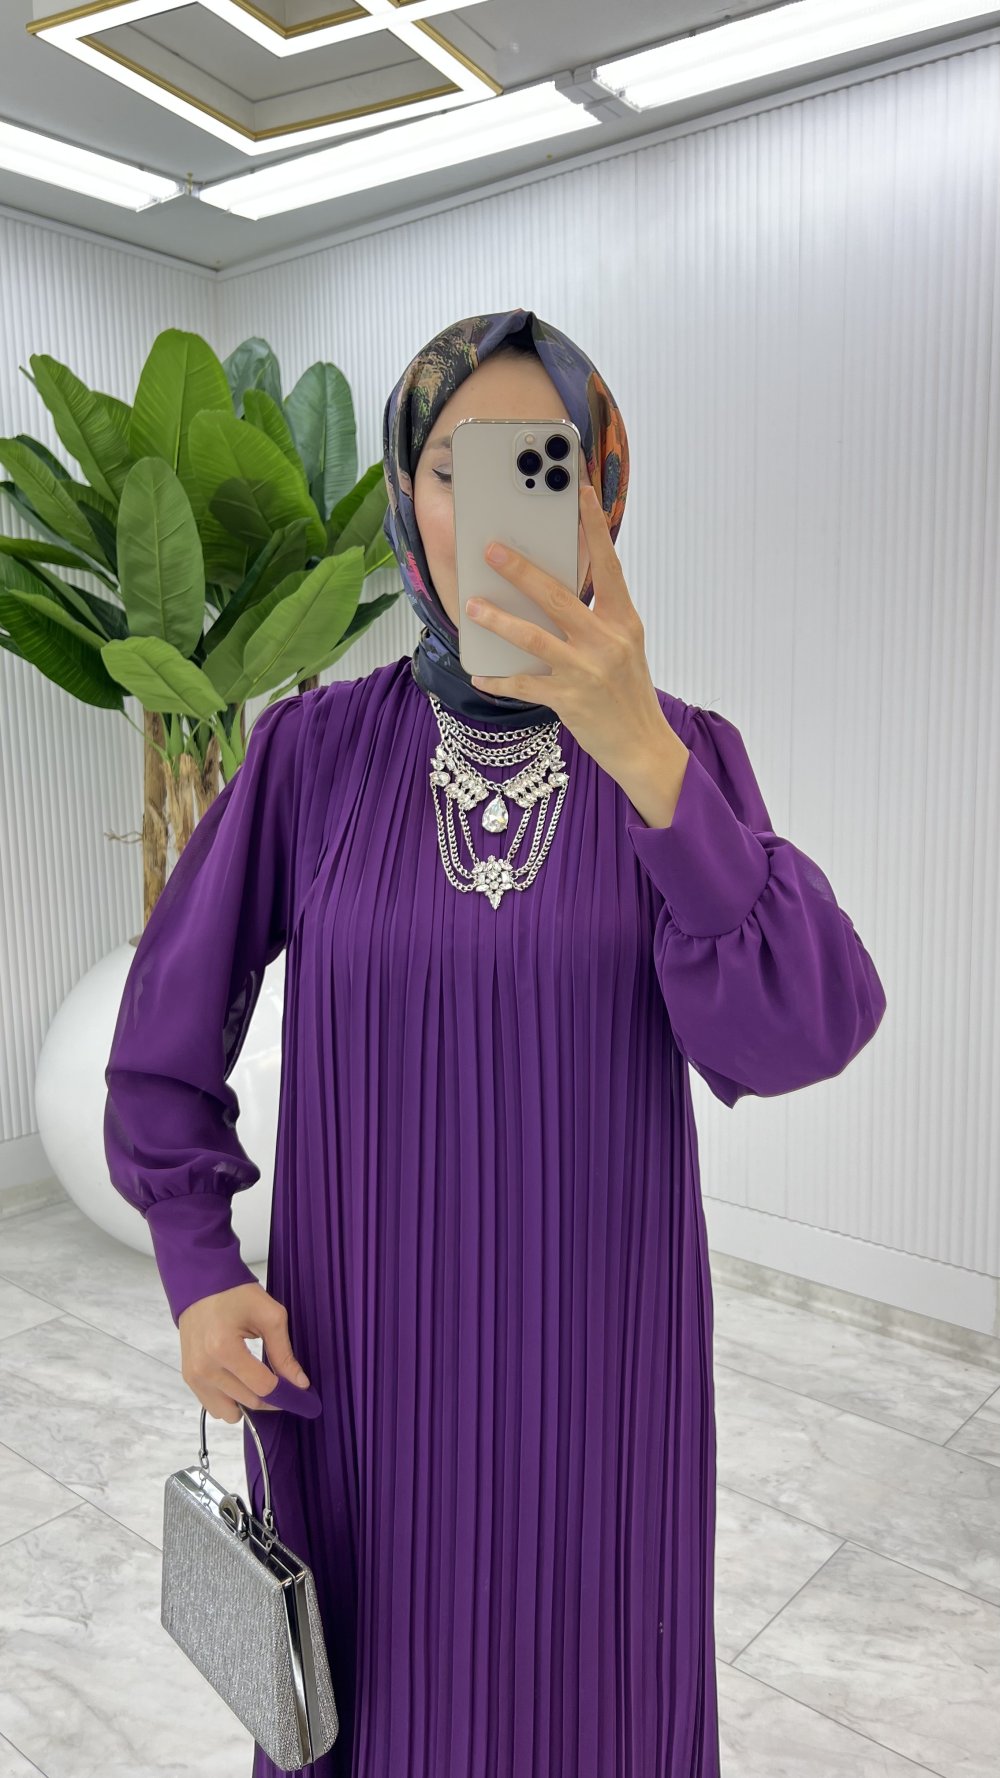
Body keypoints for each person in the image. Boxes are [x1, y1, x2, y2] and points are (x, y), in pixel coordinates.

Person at [104, 306, 887, 1778]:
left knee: (597, 1697)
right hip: (363, 1372)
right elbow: (162, 1037)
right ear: (409, 497)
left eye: (542, 463)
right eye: (454, 467)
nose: (492, 509)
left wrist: (641, 751)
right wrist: (200, 1267)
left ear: (601, 491)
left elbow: (801, 1031)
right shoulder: (314, 755)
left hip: (605, 1384)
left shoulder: (688, 758)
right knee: (380, 1707)